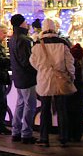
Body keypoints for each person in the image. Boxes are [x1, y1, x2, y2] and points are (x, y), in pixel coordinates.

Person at [30, 18, 75, 147]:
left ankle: (44, 137)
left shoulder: (38, 44)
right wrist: (71, 76)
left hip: (44, 80)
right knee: (62, 109)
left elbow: (32, 61)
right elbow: (69, 62)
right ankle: (63, 137)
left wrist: (42, 69)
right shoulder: (63, 43)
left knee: (44, 109)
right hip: (60, 79)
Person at [8, 14, 38, 144]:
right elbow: (26, 60)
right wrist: (36, 69)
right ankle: (26, 133)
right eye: (25, 22)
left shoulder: (13, 38)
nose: (27, 23)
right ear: (21, 23)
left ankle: (16, 131)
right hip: (27, 77)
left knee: (20, 103)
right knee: (29, 105)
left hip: (18, 76)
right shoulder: (24, 39)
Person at [66, 43, 83, 142]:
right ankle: (77, 136)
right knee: (79, 118)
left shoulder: (70, 66)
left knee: (70, 116)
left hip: (70, 96)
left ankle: (69, 135)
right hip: (81, 97)